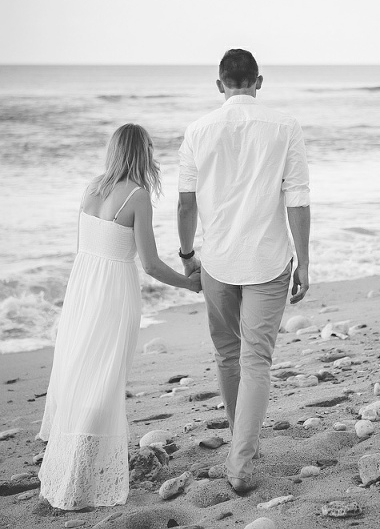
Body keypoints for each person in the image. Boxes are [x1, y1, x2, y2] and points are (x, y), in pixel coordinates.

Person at [38, 123, 201, 510]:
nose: (153, 154)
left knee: (79, 374)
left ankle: (67, 471)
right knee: (104, 381)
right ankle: (78, 481)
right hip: (113, 293)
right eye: (149, 147)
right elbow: (150, 265)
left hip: (82, 290)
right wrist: (190, 284)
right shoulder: (137, 196)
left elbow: (85, 249)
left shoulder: (90, 188)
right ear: (139, 152)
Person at [177, 49, 310, 493]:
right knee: (257, 360)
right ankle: (242, 456)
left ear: (220, 85)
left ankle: (241, 448)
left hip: (216, 260)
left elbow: (185, 201)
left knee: (228, 356)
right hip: (268, 259)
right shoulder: (285, 125)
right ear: (258, 82)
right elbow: (298, 198)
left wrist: (186, 255)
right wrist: (305, 260)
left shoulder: (198, 129)